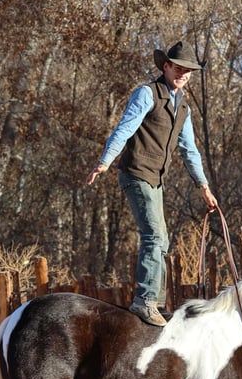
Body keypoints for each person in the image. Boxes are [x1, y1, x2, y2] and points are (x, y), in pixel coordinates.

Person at [86, 40, 218, 327]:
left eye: (188, 71)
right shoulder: (147, 93)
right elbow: (125, 128)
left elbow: (189, 150)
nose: (183, 74)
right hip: (135, 172)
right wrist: (105, 161)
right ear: (166, 66)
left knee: (162, 239)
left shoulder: (184, 108)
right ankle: (144, 301)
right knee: (154, 236)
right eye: (178, 68)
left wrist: (204, 187)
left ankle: (156, 302)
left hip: (156, 179)